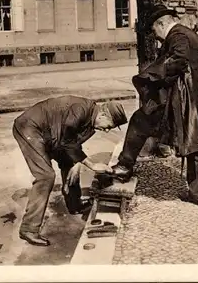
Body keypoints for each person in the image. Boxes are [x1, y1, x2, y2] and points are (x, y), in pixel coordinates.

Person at [110, 4, 198, 207]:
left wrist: (150, 75)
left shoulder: (177, 35)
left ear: (162, 24)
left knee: (141, 120)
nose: (157, 37)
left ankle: (125, 167)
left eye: (155, 31)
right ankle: (197, 194)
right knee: (196, 141)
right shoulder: (189, 34)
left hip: (187, 99)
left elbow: (178, 58)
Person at [12, 96, 127, 246]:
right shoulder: (80, 109)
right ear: (103, 114)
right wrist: (90, 165)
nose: (105, 131)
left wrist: (77, 163)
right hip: (30, 128)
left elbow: (73, 147)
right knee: (45, 176)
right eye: (107, 126)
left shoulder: (91, 123)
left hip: (52, 134)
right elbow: (68, 142)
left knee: (68, 163)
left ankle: (74, 205)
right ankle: (29, 229)